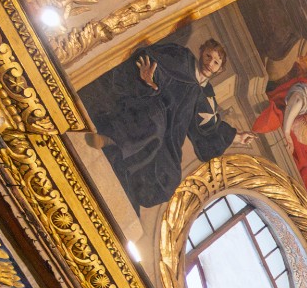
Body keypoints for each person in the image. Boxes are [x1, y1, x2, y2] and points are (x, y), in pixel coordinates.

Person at [80, 38, 244, 208]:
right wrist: (149, 80)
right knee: (154, 127)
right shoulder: (182, 60)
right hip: (152, 108)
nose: (210, 62)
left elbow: (208, 129)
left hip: (172, 135)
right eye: (208, 56)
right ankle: (109, 140)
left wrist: (235, 137)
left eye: (216, 62)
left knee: (169, 178)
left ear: (220, 69)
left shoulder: (207, 97)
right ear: (201, 51)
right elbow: (157, 70)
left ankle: (127, 187)